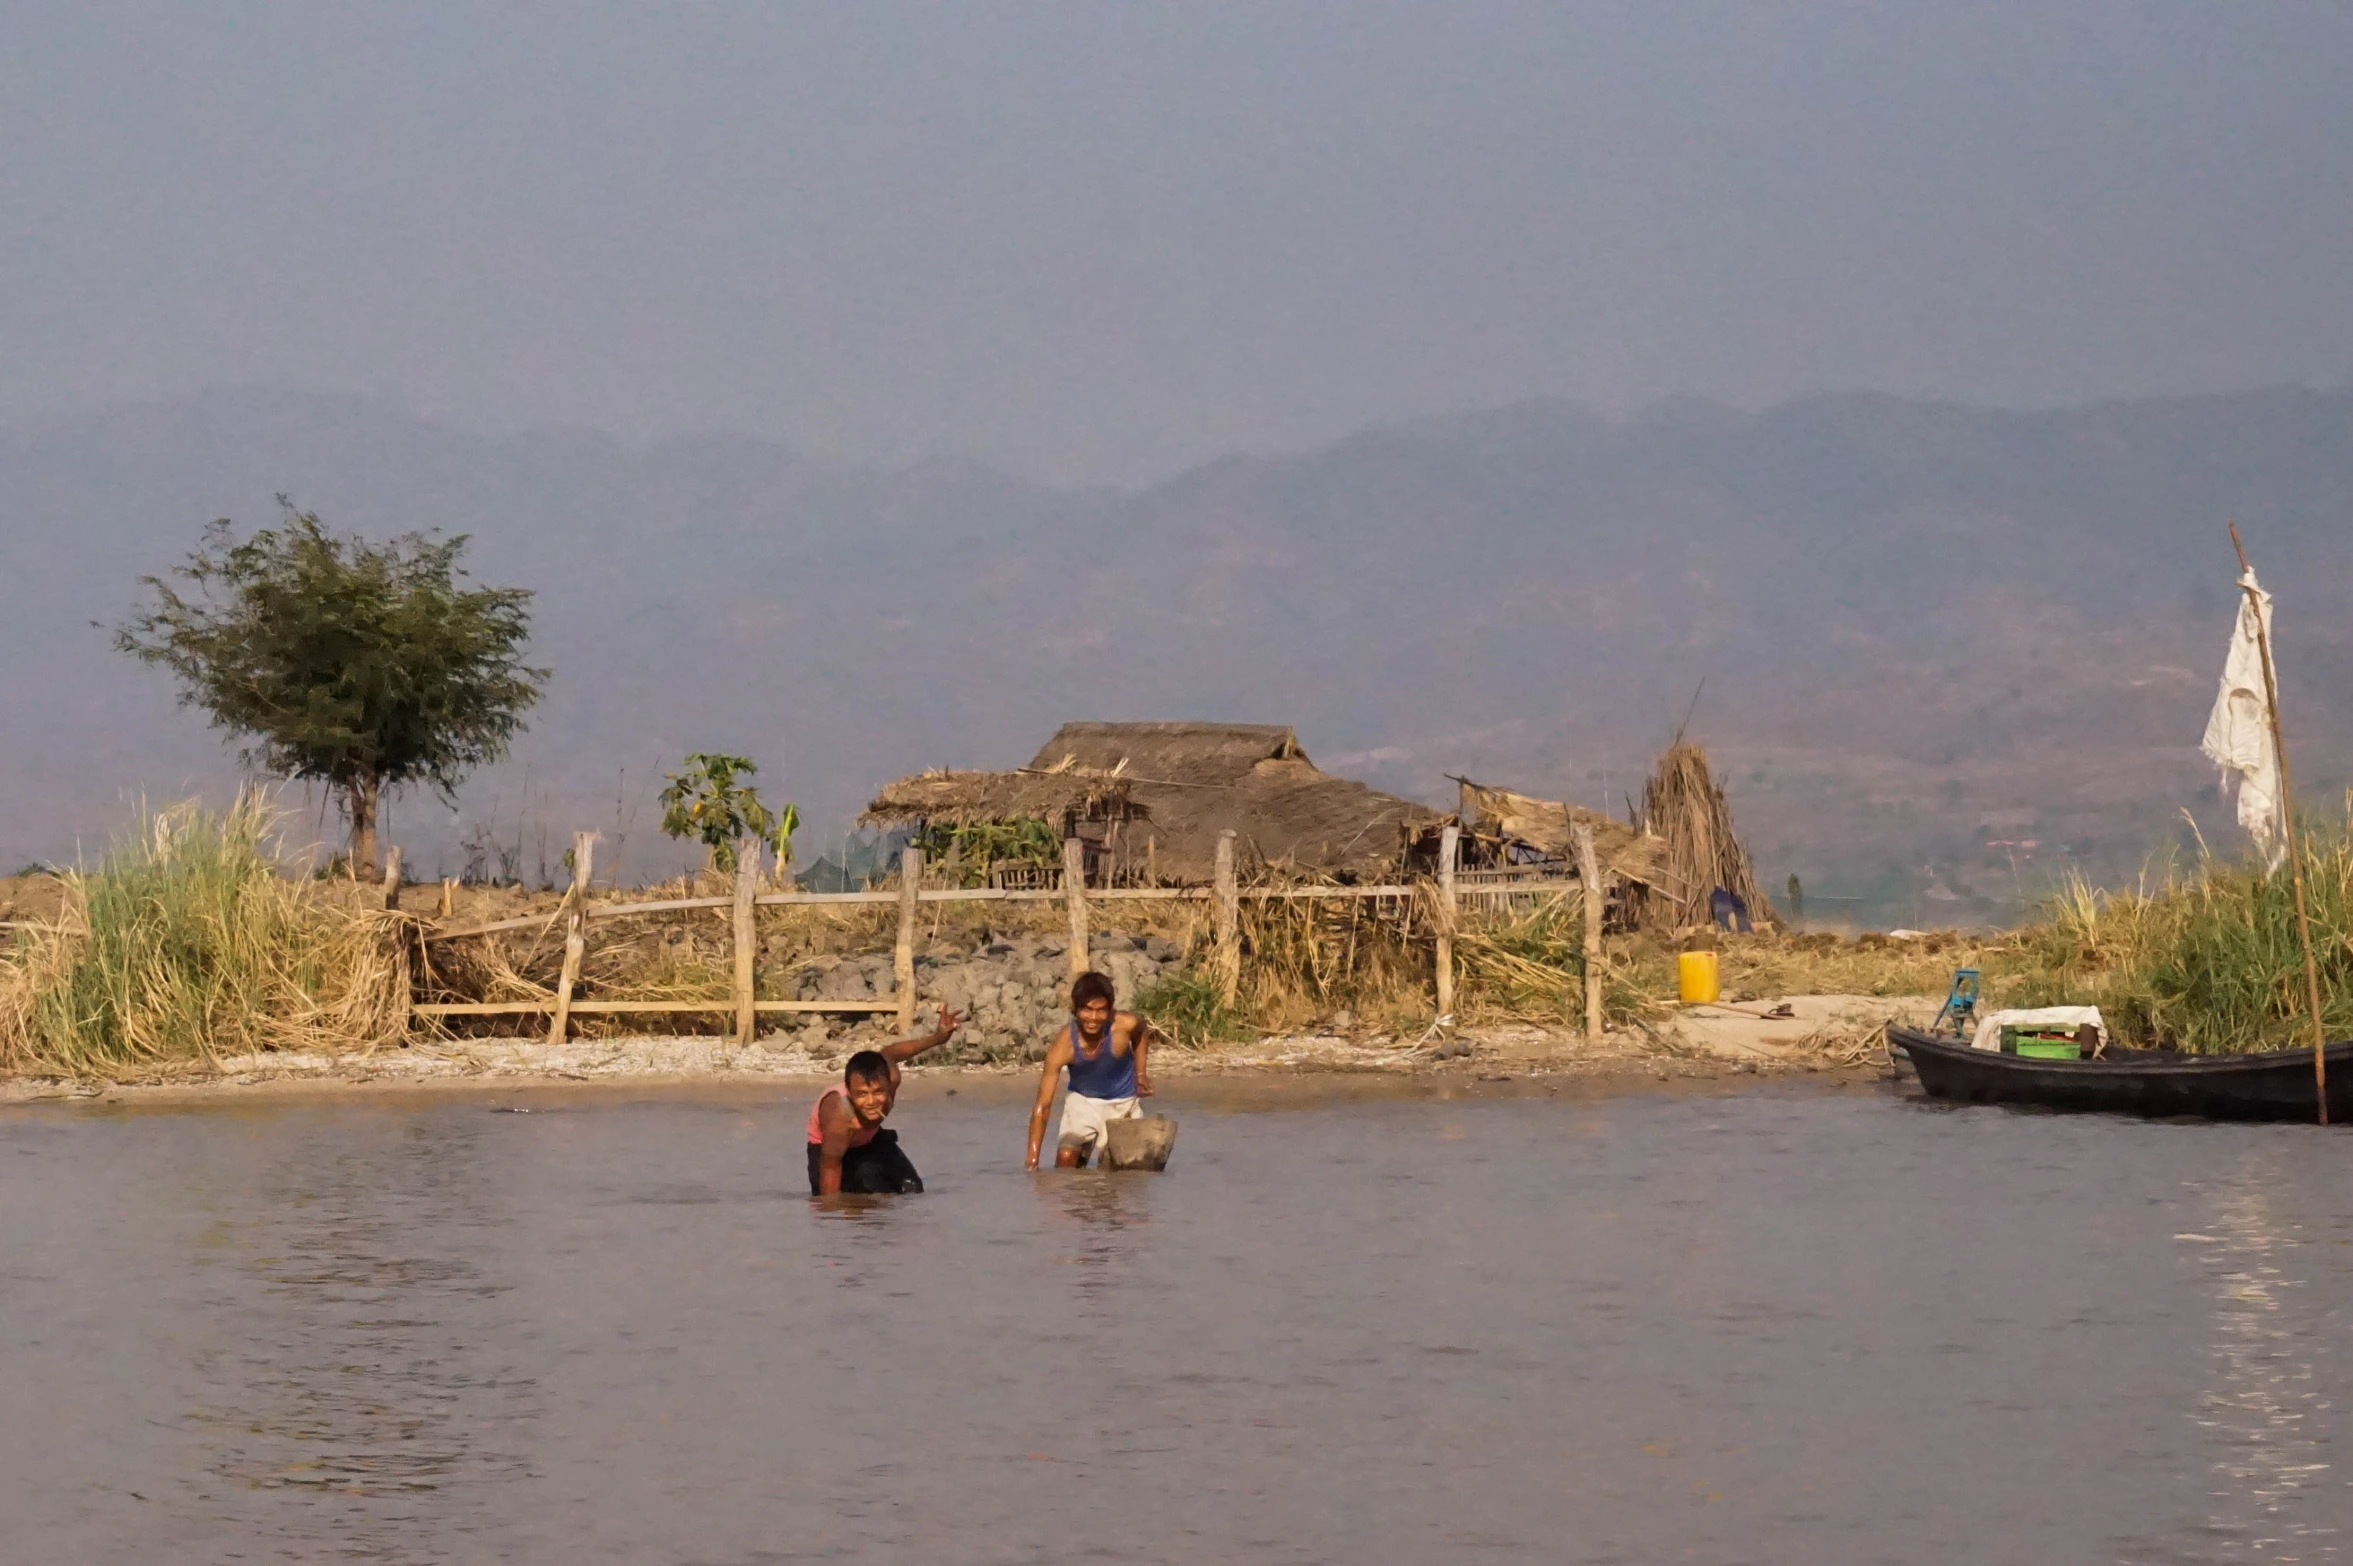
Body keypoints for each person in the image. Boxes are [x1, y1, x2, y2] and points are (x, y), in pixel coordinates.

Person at [808, 1007, 964, 1196]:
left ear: (888, 1084)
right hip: (830, 1153)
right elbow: (830, 1170)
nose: (871, 1101)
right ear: (849, 1093)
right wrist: (831, 1220)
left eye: (878, 1092)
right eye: (862, 1094)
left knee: (912, 1189)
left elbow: (891, 1052)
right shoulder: (838, 1115)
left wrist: (937, 1038)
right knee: (870, 1191)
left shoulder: (893, 1078)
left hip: (870, 1140)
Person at [1025, 971, 1154, 1170]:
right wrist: (1032, 1161)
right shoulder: (1063, 1046)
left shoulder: (1124, 1025)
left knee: (1118, 1173)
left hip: (1123, 1103)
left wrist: (1140, 1074)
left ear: (1111, 1010)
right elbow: (1043, 1106)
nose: (1093, 1018)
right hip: (1082, 1103)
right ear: (1075, 1010)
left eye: (1101, 1010)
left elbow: (1142, 1030)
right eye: (1086, 1010)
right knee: (1066, 1159)